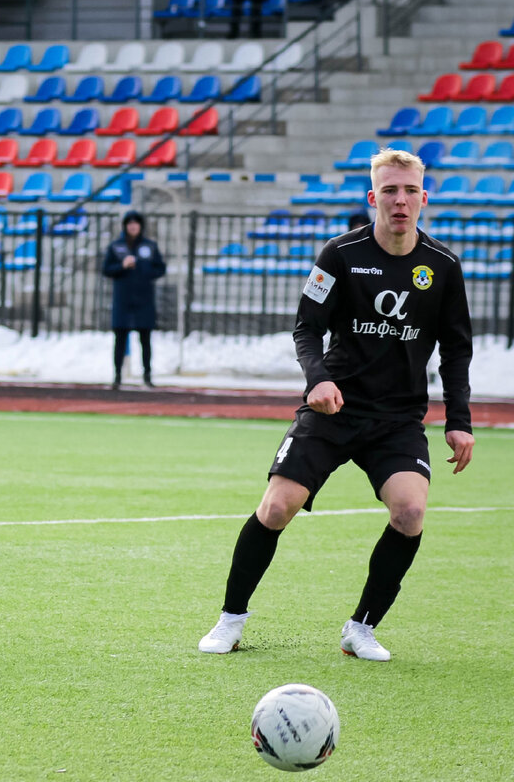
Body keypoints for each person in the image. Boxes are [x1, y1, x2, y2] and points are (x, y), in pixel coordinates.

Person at [198, 148, 474, 662]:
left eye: (410, 191)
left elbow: (457, 350)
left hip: (396, 420)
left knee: (411, 511)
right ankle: (230, 620)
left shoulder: (443, 267)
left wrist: (459, 421)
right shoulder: (340, 254)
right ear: (374, 197)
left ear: (424, 198)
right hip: (333, 409)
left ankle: (361, 629)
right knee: (277, 507)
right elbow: (307, 328)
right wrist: (317, 381)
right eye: (390, 190)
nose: (400, 200)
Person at [101, 211, 167, 389]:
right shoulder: (116, 247)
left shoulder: (150, 246)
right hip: (123, 298)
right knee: (120, 339)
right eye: (129, 224)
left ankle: (147, 375)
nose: (133, 227)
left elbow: (160, 269)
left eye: (136, 223)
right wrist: (122, 266)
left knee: (145, 340)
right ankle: (117, 376)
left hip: (144, 298)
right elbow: (106, 269)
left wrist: (144, 270)